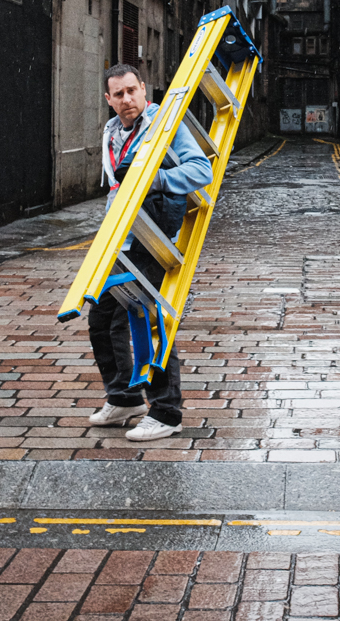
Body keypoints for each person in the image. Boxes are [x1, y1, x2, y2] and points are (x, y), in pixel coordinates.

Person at [86, 64, 213, 442]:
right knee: (102, 321)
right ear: (109, 100)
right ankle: (124, 398)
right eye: (118, 94)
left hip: (153, 234)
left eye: (132, 91)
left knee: (147, 320)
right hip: (121, 238)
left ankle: (166, 411)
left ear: (144, 90)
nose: (127, 100)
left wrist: (156, 179)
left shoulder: (165, 126)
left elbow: (200, 170)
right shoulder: (112, 133)